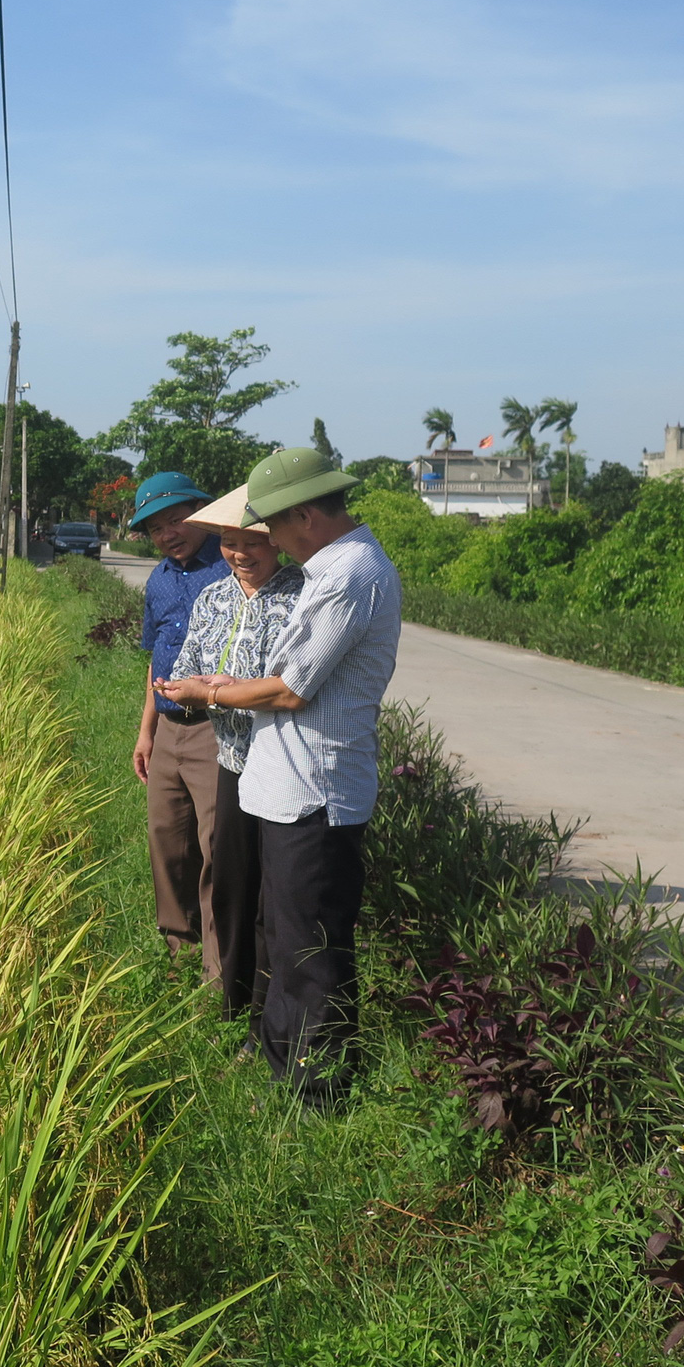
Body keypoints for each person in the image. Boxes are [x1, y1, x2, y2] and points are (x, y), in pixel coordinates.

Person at [158, 447, 400, 1105]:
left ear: (303, 516)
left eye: (273, 529)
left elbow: (290, 689)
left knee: (310, 951)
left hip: (315, 793)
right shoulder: (329, 569)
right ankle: (278, 1062)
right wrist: (226, 688)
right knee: (277, 932)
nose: (270, 543)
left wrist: (213, 692)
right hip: (282, 787)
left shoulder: (348, 575)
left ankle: (318, 1094)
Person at [165, 486, 306, 1023]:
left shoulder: (300, 597)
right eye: (229, 541)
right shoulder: (213, 598)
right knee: (230, 883)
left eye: (254, 541)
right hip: (229, 760)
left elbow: (292, 683)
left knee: (274, 896)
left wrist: (219, 688)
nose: (241, 552)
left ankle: (268, 1013)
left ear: (279, 543)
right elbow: (189, 664)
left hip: (281, 764)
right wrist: (183, 689)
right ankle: (233, 1001)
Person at [127, 471, 228, 980]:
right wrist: (146, 733)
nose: (169, 533)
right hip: (168, 729)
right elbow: (157, 661)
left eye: (177, 518)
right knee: (167, 841)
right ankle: (177, 951)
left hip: (217, 727)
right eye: (156, 527)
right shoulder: (160, 579)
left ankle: (218, 971)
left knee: (216, 849)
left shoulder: (231, 567)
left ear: (202, 513)